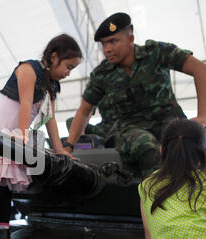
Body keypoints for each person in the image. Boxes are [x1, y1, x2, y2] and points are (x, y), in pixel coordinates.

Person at [64, 12, 206, 177]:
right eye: (103, 44)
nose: (107, 49)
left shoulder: (156, 53)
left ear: (130, 39)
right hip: (129, 131)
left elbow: (200, 69)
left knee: (189, 141)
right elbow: (84, 111)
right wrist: (67, 147)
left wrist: (202, 115)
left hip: (168, 124)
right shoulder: (101, 74)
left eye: (113, 41)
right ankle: (159, 198)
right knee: (145, 146)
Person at [0, 34, 83, 239]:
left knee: (3, 190)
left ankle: (1, 238)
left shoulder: (52, 86)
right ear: (54, 57)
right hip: (2, 132)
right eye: (68, 66)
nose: (69, 73)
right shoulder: (29, 69)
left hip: (17, 136)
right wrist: (23, 136)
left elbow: (50, 119)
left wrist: (61, 151)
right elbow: (25, 103)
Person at [139, 119, 206, 239]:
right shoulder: (203, 181)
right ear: (201, 152)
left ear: (161, 151)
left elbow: (149, 232)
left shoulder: (147, 185)